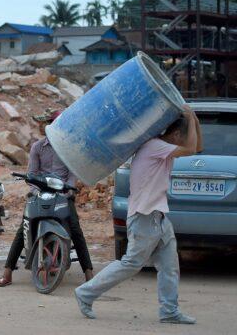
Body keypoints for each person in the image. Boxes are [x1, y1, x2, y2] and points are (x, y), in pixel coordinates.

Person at [75, 105, 203, 324]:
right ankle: (86, 292)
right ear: (175, 135)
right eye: (182, 137)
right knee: (130, 264)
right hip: (145, 216)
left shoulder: (163, 147)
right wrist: (191, 119)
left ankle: (169, 312)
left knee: (170, 267)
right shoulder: (155, 146)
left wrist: (194, 119)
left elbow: (197, 147)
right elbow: (192, 148)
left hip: (159, 216)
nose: (184, 142)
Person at [0, 109, 94, 287]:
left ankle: (89, 274)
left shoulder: (69, 147)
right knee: (23, 228)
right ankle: (8, 272)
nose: (46, 126)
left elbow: (72, 174)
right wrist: (33, 189)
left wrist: (68, 190)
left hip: (63, 193)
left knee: (76, 230)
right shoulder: (37, 147)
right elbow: (32, 174)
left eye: (49, 123)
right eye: (46, 123)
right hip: (40, 192)